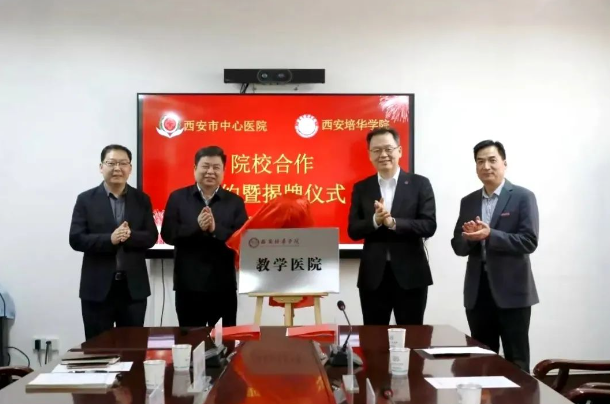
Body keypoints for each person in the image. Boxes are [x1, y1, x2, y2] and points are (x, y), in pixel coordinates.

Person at [451, 140, 539, 372]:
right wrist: (470, 238)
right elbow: (458, 246)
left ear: (504, 163)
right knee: (482, 360)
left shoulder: (522, 196)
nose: (486, 166)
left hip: (513, 291)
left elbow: (529, 241)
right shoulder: (468, 201)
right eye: (480, 162)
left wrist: (490, 234)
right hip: (478, 291)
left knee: (516, 361)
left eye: (492, 160)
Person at [348, 127, 437, 325]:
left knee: (412, 335)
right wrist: (375, 221)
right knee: (373, 337)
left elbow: (429, 225)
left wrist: (393, 223)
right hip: (373, 276)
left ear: (400, 151)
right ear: (369, 155)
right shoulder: (362, 188)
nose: (383, 155)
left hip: (411, 275)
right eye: (376, 150)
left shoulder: (420, 184)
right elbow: (353, 230)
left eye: (388, 149)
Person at [69, 144, 158, 340]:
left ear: (130, 168)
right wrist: (110, 239)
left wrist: (129, 236)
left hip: (133, 289)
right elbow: (76, 238)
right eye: (111, 163)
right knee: (98, 348)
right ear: (101, 167)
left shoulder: (141, 199)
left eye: (123, 163)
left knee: (133, 347)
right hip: (97, 289)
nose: (117, 168)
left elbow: (151, 236)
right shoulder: (86, 200)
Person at [161, 146, 247, 327]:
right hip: (188, 285)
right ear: (195, 169)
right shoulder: (178, 198)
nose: (210, 172)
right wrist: (196, 227)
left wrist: (215, 229)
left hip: (223, 286)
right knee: (190, 339)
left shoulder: (235, 202)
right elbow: (168, 234)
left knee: (225, 339)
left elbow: (243, 240)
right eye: (205, 166)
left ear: (223, 171)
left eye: (216, 167)